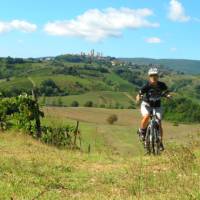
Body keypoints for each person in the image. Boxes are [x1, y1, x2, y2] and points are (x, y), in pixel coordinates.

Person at [136, 68, 171, 151]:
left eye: (155, 75)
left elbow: (167, 92)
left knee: (159, 122)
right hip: (146, 105)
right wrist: (138, 98)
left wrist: (168, 96)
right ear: (149, 77)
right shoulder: (147, 86)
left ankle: (160, 142)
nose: (153, 77)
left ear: (158, 76)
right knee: (147, 116)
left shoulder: (162, 85)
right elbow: (139, 94)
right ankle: (142, 131)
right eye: (151, 75)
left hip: (157, 106)